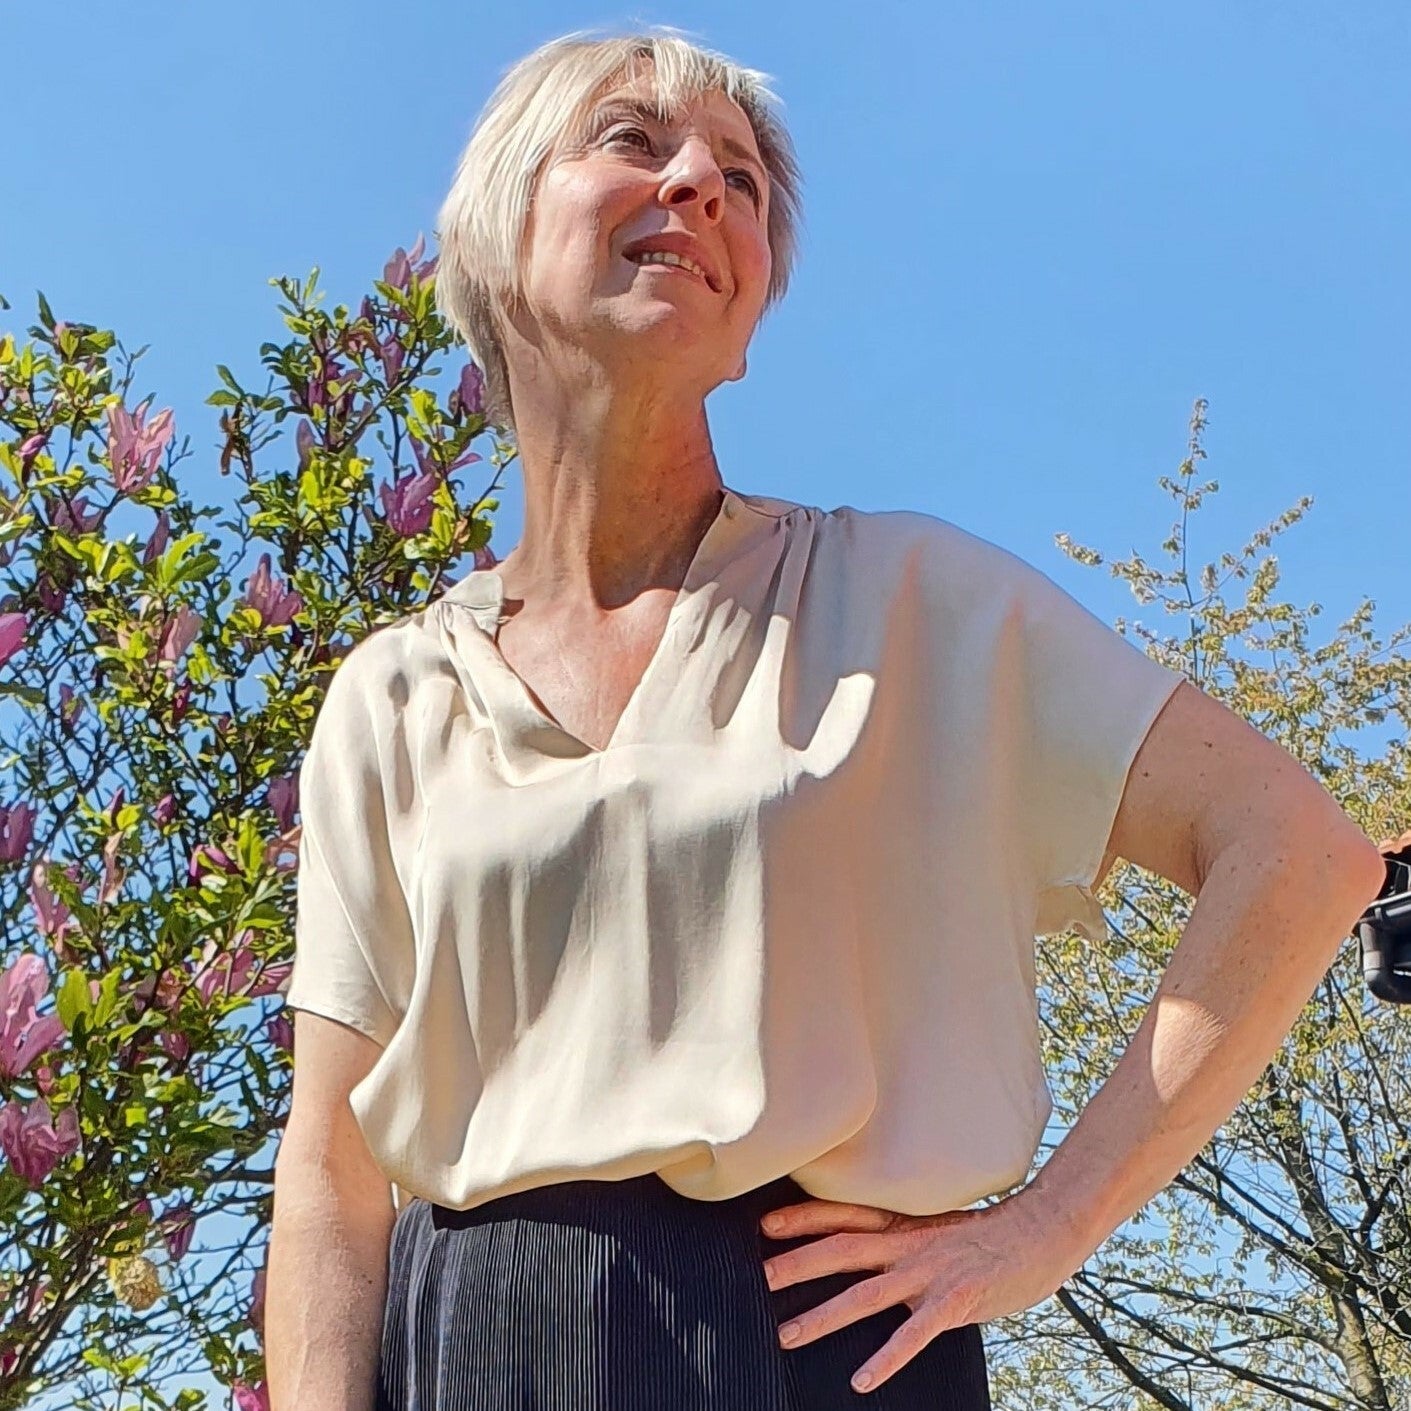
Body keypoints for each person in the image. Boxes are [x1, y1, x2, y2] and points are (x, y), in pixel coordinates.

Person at [265, 25, 1388, 1411]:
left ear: (751, 312)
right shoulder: (395, 695)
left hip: (822, 1347)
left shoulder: (914, 603)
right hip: (465, 1356)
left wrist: (1047, 1228)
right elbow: (330, 1170)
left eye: (739, 180)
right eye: (632, 140)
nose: (698, 185)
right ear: (494, 236)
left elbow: (1299, 853)